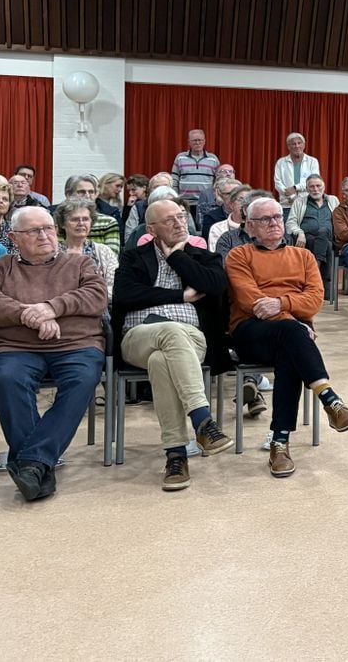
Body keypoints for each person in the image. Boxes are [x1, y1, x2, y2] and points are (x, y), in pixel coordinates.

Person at [0, 207, 107, 501]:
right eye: (34, 231)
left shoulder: (80, 263)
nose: (44, 235)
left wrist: (52, 307)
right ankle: (37, 466)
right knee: (9, 380)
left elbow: (97, 296)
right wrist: (29, 315)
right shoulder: (0, 267)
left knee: (82, 380)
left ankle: (31, 463)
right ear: (14, 237)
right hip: (16, 347)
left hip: (75, 345)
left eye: (48, 228)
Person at [226, 197, 348, 477]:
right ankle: (330, 399)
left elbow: (314, 301)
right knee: (293, 334)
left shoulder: (304, 256)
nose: (274, 222)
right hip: (250, 333)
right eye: (265, 219)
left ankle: (280, 443)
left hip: (290, 337)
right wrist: (292, 314)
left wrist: (282, 305)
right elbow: (250, 300)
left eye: (277, 216)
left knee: (290, 353)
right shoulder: (239, 255)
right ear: (250, 226)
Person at [112, 199, 235, 490]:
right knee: (169, 332)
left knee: (162, 358)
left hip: (192, 341)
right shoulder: (134, 256)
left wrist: (178, 258)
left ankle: (176, 454)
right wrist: (180, 296)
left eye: (181, 217)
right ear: (152, 229)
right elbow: (125, 295)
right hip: (137, 337)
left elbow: (216, 286)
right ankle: (203, 420)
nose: (179, 223)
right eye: (169, 220)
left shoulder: (202, 256)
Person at [287, 174, 339, 300]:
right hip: (307, 238)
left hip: (329, 236)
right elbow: (290, 223)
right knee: (325, 244)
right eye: (312, 187)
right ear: (307, 189)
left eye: (318, 186)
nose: (315, 189)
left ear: (324, 186)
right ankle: (325, 289)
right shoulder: (300, 202)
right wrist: (300, 232)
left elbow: (339, 220)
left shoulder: (333, 200)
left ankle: (312, 274)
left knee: (323, 232)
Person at [55, 198, 119, 297]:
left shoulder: (104, 251)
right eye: (75, 219)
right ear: (63, 224)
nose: (81, 223)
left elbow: (114, 286)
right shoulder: (53, 253)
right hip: (62, 307)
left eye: (85, 219)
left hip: (98, 306)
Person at [62, 174, 121, 248]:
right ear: (68, 194)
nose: (87, 196)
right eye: (81, 192)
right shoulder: (60, 220)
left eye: (91, 192)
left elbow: (111, 256)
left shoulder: (108, 222)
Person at [170, 129, 220, 206]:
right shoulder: (180, 157)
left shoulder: (213, 159)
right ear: (189, 142)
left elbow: (218, 181)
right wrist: (176, 198)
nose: (197, 143)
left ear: (204, 141)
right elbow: (174, 179)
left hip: (206, 203)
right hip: (184, 203)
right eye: (194, 140)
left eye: (200, 140)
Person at [273, 132, 320, 207]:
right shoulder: (281, 162)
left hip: (307, 204)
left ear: (304, 145)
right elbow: (277, 183)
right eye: (293, 144)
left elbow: (314, 181)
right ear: (288, 146)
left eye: (299, 143)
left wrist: (295, 188)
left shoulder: (312, 161)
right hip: (286, 204)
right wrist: (288, 193)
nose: (297, 146)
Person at [208, 184, 251, 252]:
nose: (245, 204)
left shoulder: (257, 227)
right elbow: (217, 258)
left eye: (249, 200)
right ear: (231, 205)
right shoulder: (217, 228)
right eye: (241, 199)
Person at [199, 178, 243, 243]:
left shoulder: (250, 215)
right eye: (229, 193)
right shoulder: (211, 217)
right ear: (220, 195)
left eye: (237, 193)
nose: (234, 197)